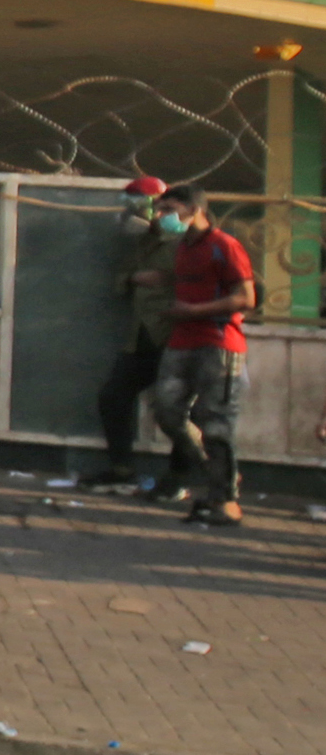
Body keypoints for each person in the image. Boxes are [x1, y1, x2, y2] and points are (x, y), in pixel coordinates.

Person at [143, 181, 249, 527]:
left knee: (215, 423)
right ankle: (219, 475)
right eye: (160, 211)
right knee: (167, 411)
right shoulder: (180, 248)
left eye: (169, 210)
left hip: (218, 345)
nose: (162, 217)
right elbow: (173, 277)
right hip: (181, 341)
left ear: (195, 210)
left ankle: (226, 500)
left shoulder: (224, 246)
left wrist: (193, 310)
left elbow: (245, 298)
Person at [87, 177, 181, 495]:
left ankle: (182, 479)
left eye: (142, 207)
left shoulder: (184, 242)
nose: (136, 214)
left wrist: (166, 279)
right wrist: (136, 278)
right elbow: (122, 280)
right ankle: (121, 469)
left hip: (175, 335)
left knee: (177, 414)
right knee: (113, 397)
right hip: (142, 333)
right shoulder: (141, 243)